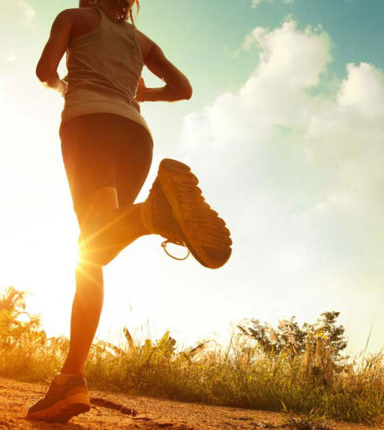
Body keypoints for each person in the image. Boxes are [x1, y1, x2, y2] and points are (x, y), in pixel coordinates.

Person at [25, 0, 233, 422]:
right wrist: (144, 94)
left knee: (93, 247)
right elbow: (183, 88)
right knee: (95, 247)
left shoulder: (73, 18)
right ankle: (70, 380)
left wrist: (62, 87)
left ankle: (150, 215)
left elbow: (45, 70)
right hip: (136, 137)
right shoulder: (141, 41)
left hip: (89, 125)